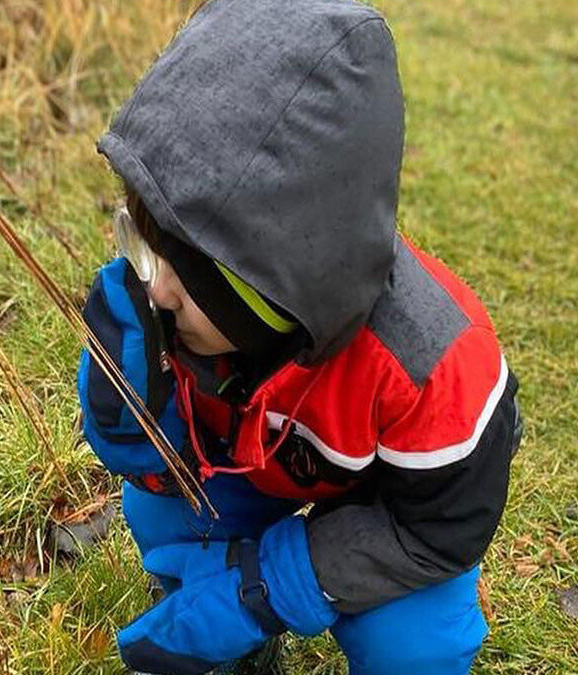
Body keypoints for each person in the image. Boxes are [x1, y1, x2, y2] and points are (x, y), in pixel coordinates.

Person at [76, 0, 524, 673]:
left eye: (185, 272)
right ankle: (222, 629)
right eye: (144, 239)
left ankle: (252, 607)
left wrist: (264, 589)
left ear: (270, 283)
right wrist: (136, 428)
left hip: (385, 508)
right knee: (168, 521)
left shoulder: (435, 366)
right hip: (259, 468)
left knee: (412, 646)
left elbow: (434, 534)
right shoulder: (171, 305)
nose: (156, 288)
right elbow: (172, 473)